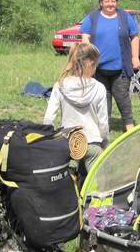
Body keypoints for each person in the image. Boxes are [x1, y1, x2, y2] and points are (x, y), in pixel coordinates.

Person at [43, 42, 109, 175]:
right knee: (95, 185)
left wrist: (47, 140)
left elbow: (48, 118)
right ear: (90, 63)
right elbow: (103, 123)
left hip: (69, 144)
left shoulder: (60, 85)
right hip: (93, 143)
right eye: (96, 65)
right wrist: (105, 142)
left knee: (69, 184)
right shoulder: (99, 88)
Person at [80, 0, 140, 132]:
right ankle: (103, 129)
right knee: (102, 99)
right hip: (98, 69)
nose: (110, 4)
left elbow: (135, 37)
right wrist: (88, 58)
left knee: (122, 98)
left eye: (113, 1)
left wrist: (135, 57)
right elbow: (85, 37)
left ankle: (130, 128)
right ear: (101, 3)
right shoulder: (93, 17)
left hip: (120, 69)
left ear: (116, 2)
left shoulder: (125, 17)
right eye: (107, 1)